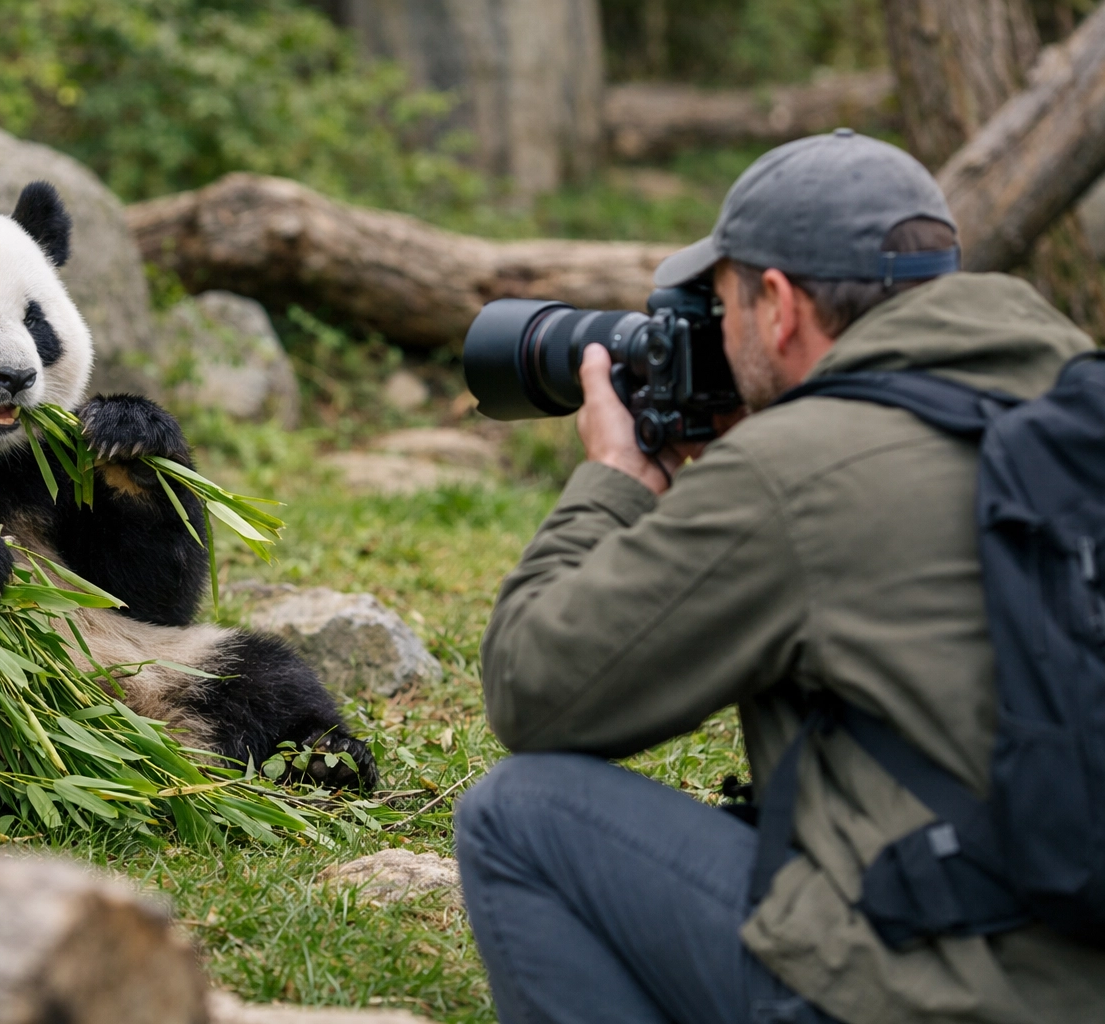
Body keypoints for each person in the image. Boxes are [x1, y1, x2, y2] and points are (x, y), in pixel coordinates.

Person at [454, 129, 1105, 1024]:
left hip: (943, 994)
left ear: (779, 306)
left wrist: (612, 483)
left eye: (720, 308)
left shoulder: (794, 471)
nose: (715, 337)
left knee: (517, 816)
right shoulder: (1074, 403)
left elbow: (536, 690)